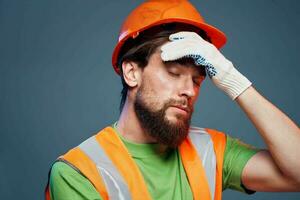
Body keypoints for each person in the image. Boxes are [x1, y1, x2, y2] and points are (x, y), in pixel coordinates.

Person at [45, 0, 300, 199]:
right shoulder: (79, 172)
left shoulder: (211, 150)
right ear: (132, 72)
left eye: (198, 80)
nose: (189, 90)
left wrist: (235, 81)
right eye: (174, 73)